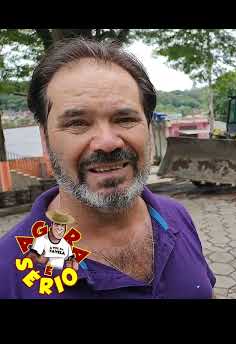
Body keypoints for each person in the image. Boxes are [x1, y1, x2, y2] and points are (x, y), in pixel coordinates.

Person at [0, 39, 216, 299]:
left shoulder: (175, 217)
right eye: (78, 123)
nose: (107, 142)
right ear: (45, 138)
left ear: (147, 128)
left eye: (125, 119)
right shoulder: (9, 270)